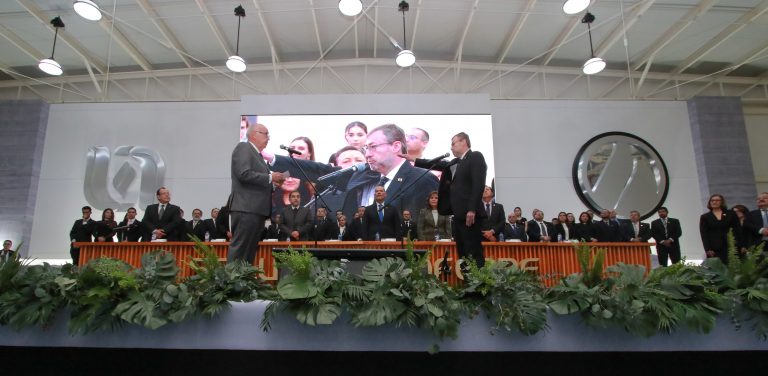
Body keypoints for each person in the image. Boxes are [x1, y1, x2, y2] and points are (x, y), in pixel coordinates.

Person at [414, 132, 487, 266]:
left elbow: (478, 185)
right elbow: (435, 164)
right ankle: (468, 283)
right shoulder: (454, 162)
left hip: (470, 214)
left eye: (453, 143)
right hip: (458, 214)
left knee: (473, 251)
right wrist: (413, 159)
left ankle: (479, 284)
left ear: (464, 142)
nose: (451, 147)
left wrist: (472, 209)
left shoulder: (475, 156)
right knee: (462, 252)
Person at [343, 124, 439, 223]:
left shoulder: (422, 180)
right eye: (366, 148)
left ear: (396, 147)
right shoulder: (364, 181)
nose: (367, 154)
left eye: (373, 146)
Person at [229, 124, 286, 263]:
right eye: (266, 134)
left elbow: (256, 180)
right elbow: (243, 174)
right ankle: (231, 282)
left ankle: (243, 281)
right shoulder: (243, 147)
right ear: (254, 134)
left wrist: (273, 184)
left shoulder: (258, 156)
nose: (268, 138)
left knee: (249, 252)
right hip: (246, 208)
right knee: (240, 249)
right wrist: (271, 177)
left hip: (255, 210)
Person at [699, 194, 742, 264]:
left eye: (717, 200)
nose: (714, 202)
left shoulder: (731, 214)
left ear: (722, 202)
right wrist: (708, 249)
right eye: (712, 200)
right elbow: (704, 234)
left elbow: (738, 229)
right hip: (714, 247)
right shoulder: (705, 217)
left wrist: (741, 245)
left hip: (731, 245)